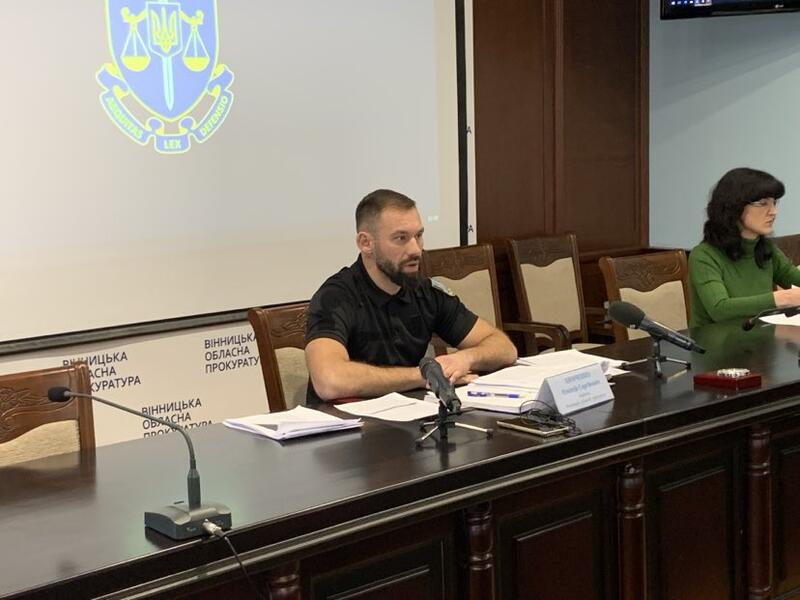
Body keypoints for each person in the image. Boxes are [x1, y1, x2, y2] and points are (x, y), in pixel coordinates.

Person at [304, 189, 518, 403]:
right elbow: (329, 381)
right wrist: (425, 375)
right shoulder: (336, 297)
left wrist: (465, 358)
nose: (416, 249)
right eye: (401, 238)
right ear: (366, 243)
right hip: (346, 420)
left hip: (410, 415)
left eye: (418, 236)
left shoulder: (424, 291)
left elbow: (504, 348)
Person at [688, 167, 800, 327]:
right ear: (734, 207)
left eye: (774, 202)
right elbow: (719, 309)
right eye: (763, 203)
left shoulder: (766, 248)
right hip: (714, 340)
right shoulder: (704, 255)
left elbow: (795, 278)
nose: (773, 211)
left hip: (760, 338)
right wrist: (784, 298)